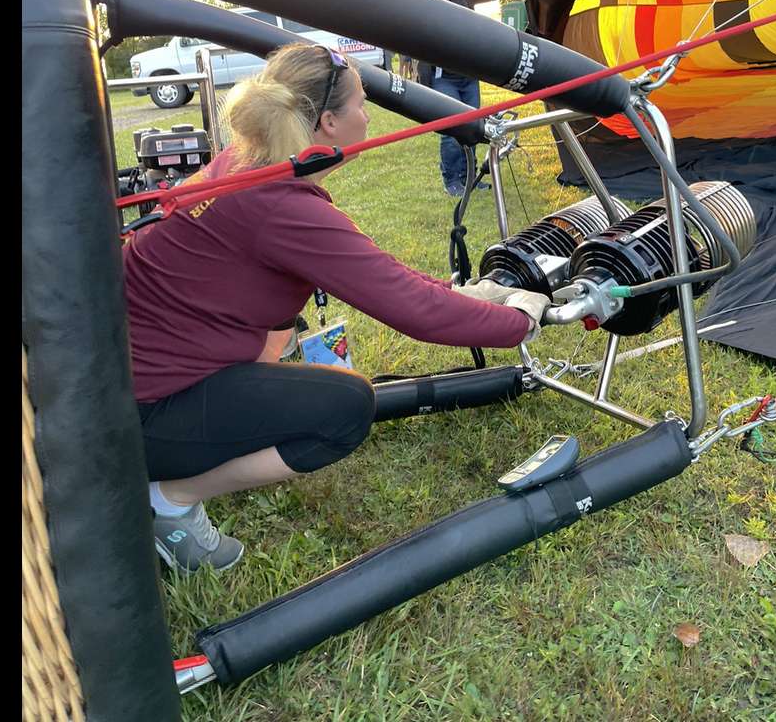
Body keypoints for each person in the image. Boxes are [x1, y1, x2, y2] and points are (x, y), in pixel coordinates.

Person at [122, 43, 551, 574]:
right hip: (135, 419)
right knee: (344, 409)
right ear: (328, 121)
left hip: (122, 384)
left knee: (287, 332)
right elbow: (413, 309)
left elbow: (386, 275)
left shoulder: (249, 162)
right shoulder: (281, 206)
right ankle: (167, 498)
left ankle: (181, 466)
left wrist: (471, 295)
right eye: (362, 104)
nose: (368, 116)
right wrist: (522, 321)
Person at [418, 0, 533, 197]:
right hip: (442, 77)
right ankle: (451, 179)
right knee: (453, 128)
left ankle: (468, 178)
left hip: (468, 75)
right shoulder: (418, 2)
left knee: (472, 128)